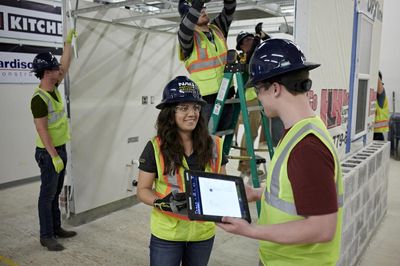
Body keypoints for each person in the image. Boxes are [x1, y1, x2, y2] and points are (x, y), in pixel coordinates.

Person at [218, 39, 344, 265]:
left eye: (258, 89)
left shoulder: (307, 147)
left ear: (275, 88)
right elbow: (295, 191)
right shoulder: (302, 130)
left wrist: (250, 230)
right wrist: (258, 193)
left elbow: (322, 228)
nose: (258, 97)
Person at [137, 76, 228, 266]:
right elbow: (143, 190)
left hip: (203, 233)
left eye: (195, 107)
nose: (192, 113)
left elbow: (223, 186)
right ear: (170, 113)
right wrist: (162, 203)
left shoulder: (215, 145)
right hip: (168, 233)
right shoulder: (155, 147)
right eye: (184, 108)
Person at [30, 29, 77, 251]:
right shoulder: (39, 99)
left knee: (55, 193)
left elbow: (65, 64)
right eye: (55, 67)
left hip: (59, 149)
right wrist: (54, 155)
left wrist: (67, 44)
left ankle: (56, 228)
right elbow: (42, 130)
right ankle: (46, 235)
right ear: (47, 72)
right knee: (47, 196)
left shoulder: (54, 87)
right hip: (49, 153)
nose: (60, 69)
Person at [177, 0, 236, 130]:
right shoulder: (187, 37)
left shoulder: (217, 29)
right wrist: (197, 3)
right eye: (198, 10)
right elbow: (185, 27)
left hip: (227, 93)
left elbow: (229, 8)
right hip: (206, 101)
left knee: (221, 138)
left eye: (203, 8)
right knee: (205, 140)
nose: (202, 11)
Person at [235, 26, 271, 176]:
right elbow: (249, 58)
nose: (251, 41)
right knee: (250, 132)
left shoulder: (256, 54)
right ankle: (245, 165)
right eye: (247, 40)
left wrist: (262, 35)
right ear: (241, 45)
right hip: (249, 99)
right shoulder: (242, 57)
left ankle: (246, 162)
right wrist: (257, 37)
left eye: (251, 39)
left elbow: (270, 44)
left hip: (257, 99)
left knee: (253, 132)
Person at [373, 70, 389, 140]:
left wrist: (373, 70)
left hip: (377, 134)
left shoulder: (381, 94)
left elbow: (379, 84)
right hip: (370, 132)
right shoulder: (371, 94)